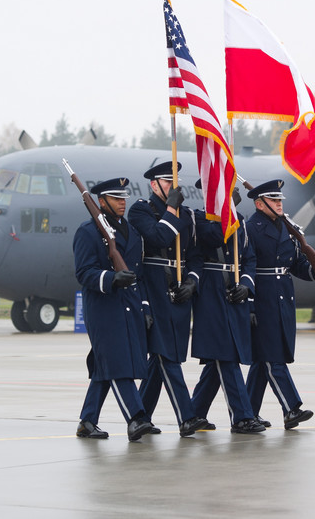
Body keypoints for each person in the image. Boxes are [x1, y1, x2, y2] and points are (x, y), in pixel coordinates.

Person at [245, 179, 315, 429]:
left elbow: (295, 264)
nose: (279, 204)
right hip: (263, 298)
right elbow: (246, 267)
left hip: (282, 297)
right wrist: (250, 304)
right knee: (273, 358)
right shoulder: (251, 228)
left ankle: (246, 413)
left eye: (280, 200)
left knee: (264, 361)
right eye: (274, 200)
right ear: (259, 204)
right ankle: (291, 408)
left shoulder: (285, 227)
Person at [129, 162, 208, 437]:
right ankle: (187, 417)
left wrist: (192, 281)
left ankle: (139, 417)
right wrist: (172, 209)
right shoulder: (141, 210)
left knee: (165, 356)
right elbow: (158, 235)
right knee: (165, 355)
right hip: (154, 288)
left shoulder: (186, 214)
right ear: (154, 185)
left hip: (179, 290)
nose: (174, 187)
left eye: (175, 182)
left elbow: (195, 256)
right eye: (167, 182)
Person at [74, 177, 154, 442]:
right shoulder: (88, 232)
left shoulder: (131, 232)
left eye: (123, 198)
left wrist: (144, 307)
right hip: (104, 309)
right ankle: (136, 418)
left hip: (129, 306)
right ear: (101, 201)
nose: (122, 203)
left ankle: (87, 421)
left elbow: (139, 274)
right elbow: (84, 273)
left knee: (106, 365)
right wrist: (110, 279)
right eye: (116, 198)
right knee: (118, 365)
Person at [188, 183, 266, 434]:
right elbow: (214, 236)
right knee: (226, 355)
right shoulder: (199, 218)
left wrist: (246, 285)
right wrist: (226, 211)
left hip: (234, 293)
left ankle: (195, 412)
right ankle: (242, 416)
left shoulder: (240, 221)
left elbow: (249, 258)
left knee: (219, 358)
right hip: (211, 292)